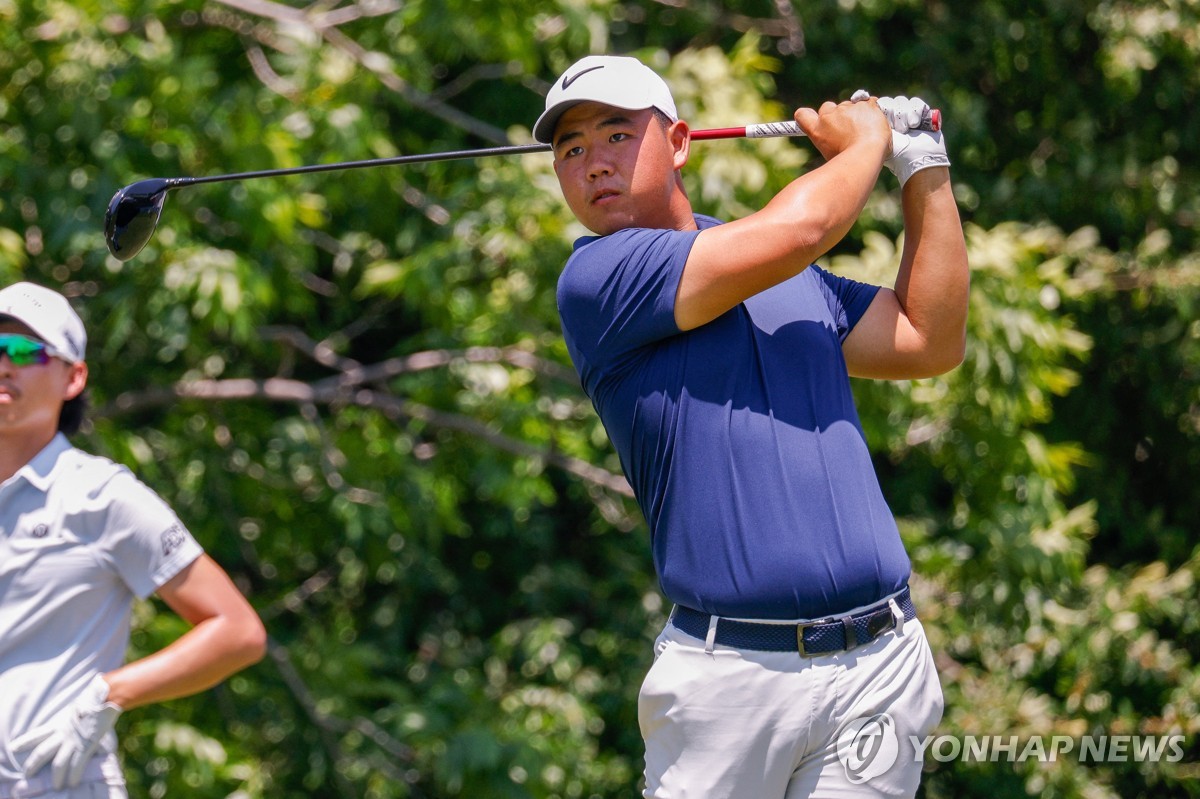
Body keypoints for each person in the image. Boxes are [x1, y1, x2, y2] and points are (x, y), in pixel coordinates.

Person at [534, 55, 969, 797]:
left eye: (615, 135)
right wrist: (866, 141)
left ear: (678, 143)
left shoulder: (779, 268)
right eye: (570, 149)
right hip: (731, 679)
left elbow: (929, 340)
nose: (593, 163)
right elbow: (805, 223)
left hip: (880, 665)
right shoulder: (598, 279)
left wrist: (921, 162)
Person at [0, 281, 268, 799]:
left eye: (23, 350)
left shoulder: (102, 497)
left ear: (73, 377)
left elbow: (236, 631)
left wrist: (107, 694)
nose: (3, 364)